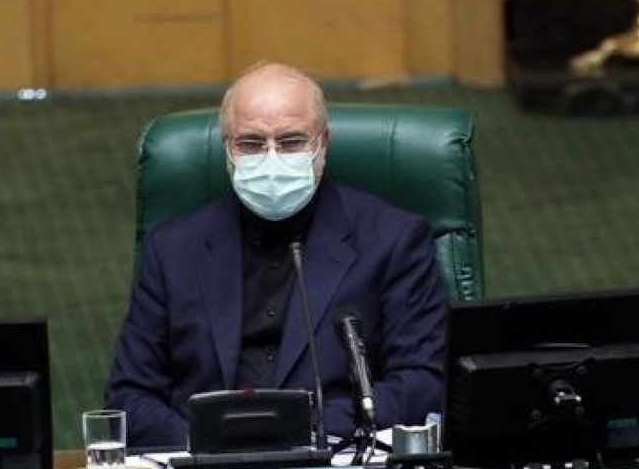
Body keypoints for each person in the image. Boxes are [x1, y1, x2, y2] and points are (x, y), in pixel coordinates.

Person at [104, 62, 447, 448]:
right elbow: (128, 397)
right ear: (227, 149)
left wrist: (300, 430)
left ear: (323, 144)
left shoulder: (394, 239)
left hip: (335, 457)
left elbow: (423, 383)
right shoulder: (171, 249)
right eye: (251, 144)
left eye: (291, 142)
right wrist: (207, 439)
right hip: (202, 462)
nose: (271, 159)